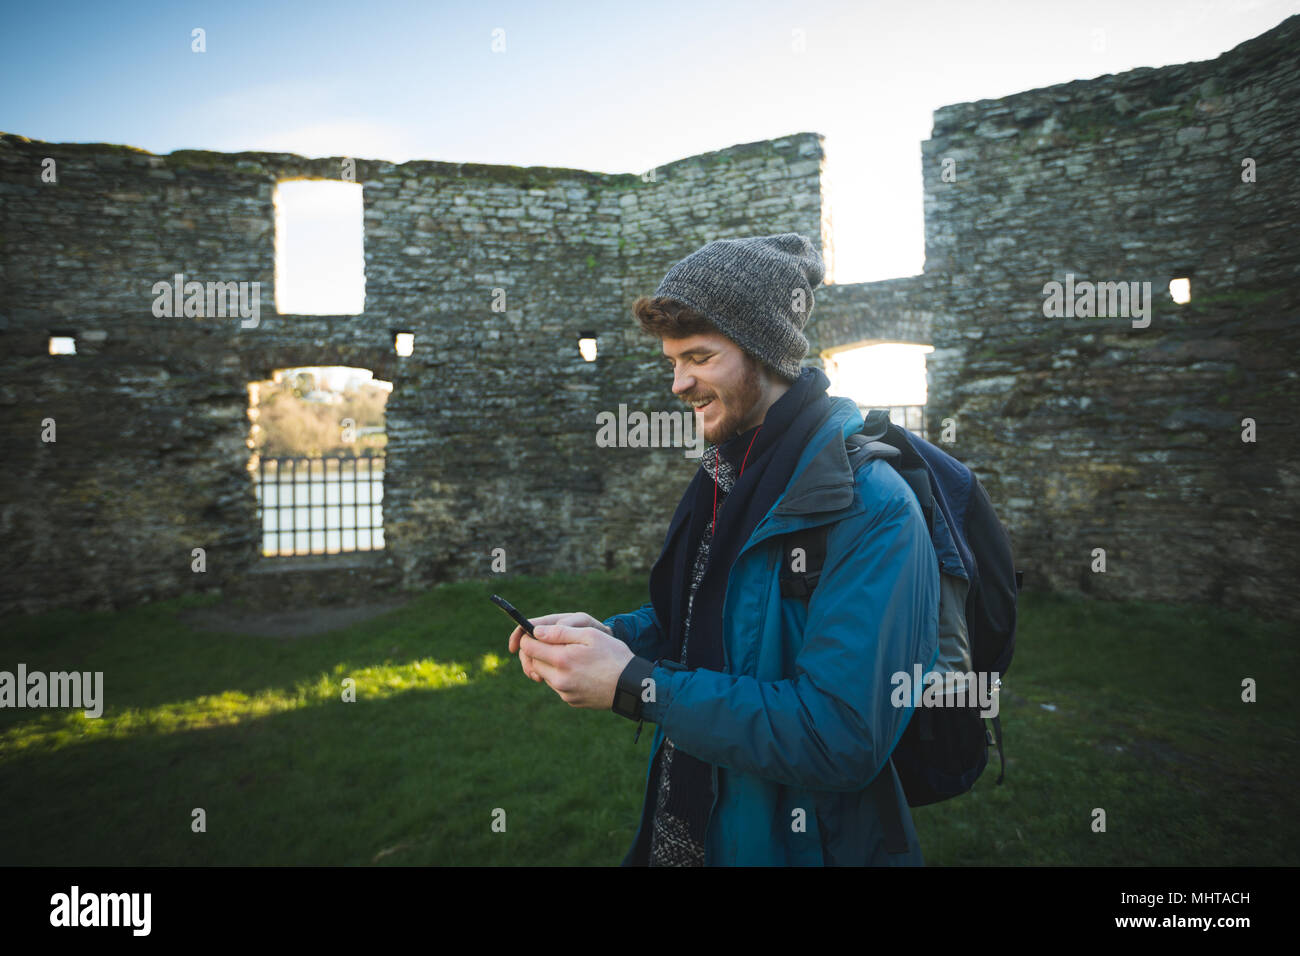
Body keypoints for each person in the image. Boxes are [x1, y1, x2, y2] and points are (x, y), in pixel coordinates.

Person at [506, 233, 939, 865]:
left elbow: (840, 736)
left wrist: (635, 686)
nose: (678, 383)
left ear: (764, 354)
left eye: (700, 357)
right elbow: (720, 619)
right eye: (672, 362)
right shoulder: (730, 474)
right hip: (686, 826)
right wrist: (610, 638)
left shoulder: (870, 505)